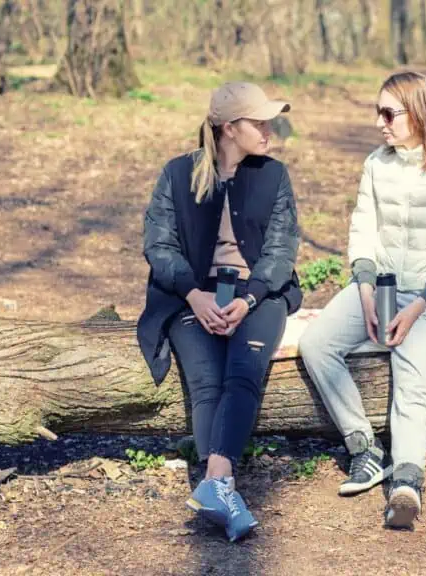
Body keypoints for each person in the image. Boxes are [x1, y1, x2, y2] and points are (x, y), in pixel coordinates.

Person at [298, 71, 426, 530]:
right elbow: (362, 230)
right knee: (316, 344)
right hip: (377, 286)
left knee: (412, 374)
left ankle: (407, 482)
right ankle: (365, 448)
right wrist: (363, 291)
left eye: (388, 113)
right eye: (376, 112)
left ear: (418, 112)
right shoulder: (375, 164)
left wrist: (420, 304)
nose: (379, 123)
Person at [135, 81, 302, 542]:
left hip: (260, 295)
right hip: (191, 296)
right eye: (260, 122)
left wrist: (248, 298)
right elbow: (160, 245)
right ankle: (221, 487)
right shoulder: (177, 174)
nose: (270, 129)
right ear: (230, 129)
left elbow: (281, 251)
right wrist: (193, 295)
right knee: (205, 380)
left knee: (244, 371)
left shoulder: (274, 176)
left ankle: (217, 481)